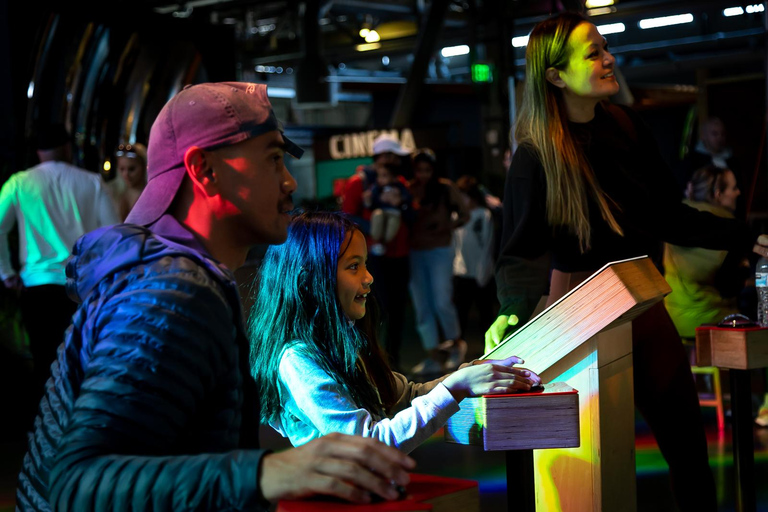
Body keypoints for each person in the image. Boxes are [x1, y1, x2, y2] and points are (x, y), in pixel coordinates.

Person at [16, 82, 416, 512]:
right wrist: (269, 472)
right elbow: (76, 484)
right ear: (204, 171)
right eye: (273, 158)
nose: (288, 181)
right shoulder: (170, 294)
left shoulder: (178, 281)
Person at [483, 12, 768, 511]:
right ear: (555, 75)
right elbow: (519, 250)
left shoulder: (625, 124)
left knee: (687, 446)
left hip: (639, 299)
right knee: (586, 471)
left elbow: (668, 216)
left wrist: (747, 236)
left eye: (605, 46)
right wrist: (512, 311)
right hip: (574, 317)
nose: (609, 58)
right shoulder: (536, 152)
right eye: (593, 53)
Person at [249, 210, 540, 454]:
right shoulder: (298, 360)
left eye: (365, 264)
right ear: (309, 279)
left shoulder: (344, 340)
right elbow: (368, 445)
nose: (368, 277)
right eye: (353, 267)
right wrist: (456, 386)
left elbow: (403, 396)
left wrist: (471, 373)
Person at [0, 123, 119, 403]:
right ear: (67, 147)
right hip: (82, 287)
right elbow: (114, 234)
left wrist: (6, 273)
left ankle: (43, 433)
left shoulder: (18, 183)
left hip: (37, 286)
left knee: (43, 362)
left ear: (38, 151)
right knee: (82, 362)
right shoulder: (91, 182)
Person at [341, 134, 412, 370]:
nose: (394, 161)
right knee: (373, 310)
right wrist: (374, 230)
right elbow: (347, 217)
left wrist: (401, 203)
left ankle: (393, 363)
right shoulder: (358, 182)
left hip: (399, 255)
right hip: (370, 259)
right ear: (380, 156)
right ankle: (372, 365)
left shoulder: (400, 182)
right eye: (390, 155)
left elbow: (412, 215)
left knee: (397, 310)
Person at [664, 165, 748, 340]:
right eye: (733, 188)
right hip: (709, 319)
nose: (738, 193)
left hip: (674, 319)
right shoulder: (724, 226)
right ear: (718, 194)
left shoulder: (676, 218)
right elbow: (728, 285)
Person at [407, 148, 469, 375]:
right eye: (419, 170)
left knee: (442, 300)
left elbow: (464, 214)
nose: (423, 174)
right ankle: (433, 354)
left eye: (427, 170)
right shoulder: (409, 188)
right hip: (415, 251)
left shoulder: (444, 188)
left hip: (440, 249)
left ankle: (455, 345)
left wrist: (447, 226)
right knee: (422, 304)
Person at [452, 175, 498, 341]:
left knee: (486, 314)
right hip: (461, 272)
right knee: (460, 314)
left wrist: (483, 273)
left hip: (482, 273)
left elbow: (488, 245)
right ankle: (458, 348)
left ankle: (491, 348)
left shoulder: (484, 215)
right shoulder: (455, 217)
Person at [676, 117, 739, 194]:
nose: (720, 138)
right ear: (703, 136)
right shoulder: (692, 161)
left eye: (722, 134)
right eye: (715, 134)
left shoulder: (732, 161)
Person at [364, 162, 413, 256]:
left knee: (392, 225)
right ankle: (376, 241)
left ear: (393, 177)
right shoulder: (376, 188)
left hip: (394, 214)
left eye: (384, 176)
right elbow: (372, 203)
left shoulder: (399, 186)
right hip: (381, 211)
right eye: (379, 176)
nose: (380, 179)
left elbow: (407, 199)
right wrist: (368, 200)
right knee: (377, 217)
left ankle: (384, 243)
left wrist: (400, 200)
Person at [113, 142, 148, 220]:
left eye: (131, 169)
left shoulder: (152, 196)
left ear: (143, 167)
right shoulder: (111, 191)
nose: (126, 174)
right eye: (122, 169)